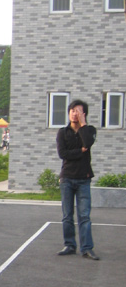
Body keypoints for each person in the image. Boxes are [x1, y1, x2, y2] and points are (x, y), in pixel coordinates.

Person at [56, 100, 99, 260]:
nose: (75, 114)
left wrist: (83, 125)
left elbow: (87, 142)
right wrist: (80, 151)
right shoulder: (62, 132)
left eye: (78, 111)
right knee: (67, 215)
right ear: (69, 113)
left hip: (83, 179)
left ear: (84, 114)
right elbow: (63, 154)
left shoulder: (90, 130)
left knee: (84, 216)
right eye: (72, 111)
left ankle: (87, 248)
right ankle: (69, 245)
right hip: (67, 178)